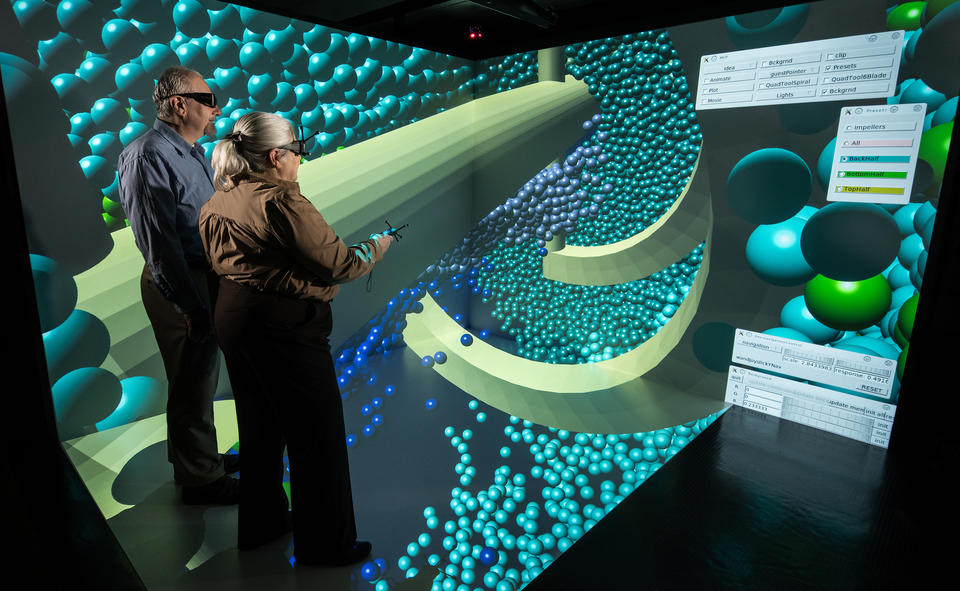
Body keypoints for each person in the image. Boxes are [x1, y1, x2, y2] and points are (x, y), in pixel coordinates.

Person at [199, 111, 393, 565]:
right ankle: (327, 545)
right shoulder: (281, 202)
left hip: (233, 317)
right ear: (276, 156)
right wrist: (377, 248)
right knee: (317, 436)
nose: (300, 161)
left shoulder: (218, 199)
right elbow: (342, 265)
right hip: (282, 327)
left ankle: (263, 524)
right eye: (298, 152)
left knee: (260, 429)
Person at [117, 66, 239, 505]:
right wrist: (188, 305)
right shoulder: (148, 155)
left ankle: (200, 460)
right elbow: (158, 241)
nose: (215, 109)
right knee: (191, 378)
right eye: (208, 99)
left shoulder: (191, 152)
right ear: (178, 104)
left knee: (200, 375)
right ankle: (201, 480)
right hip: (181, 281)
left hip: (202, 276)